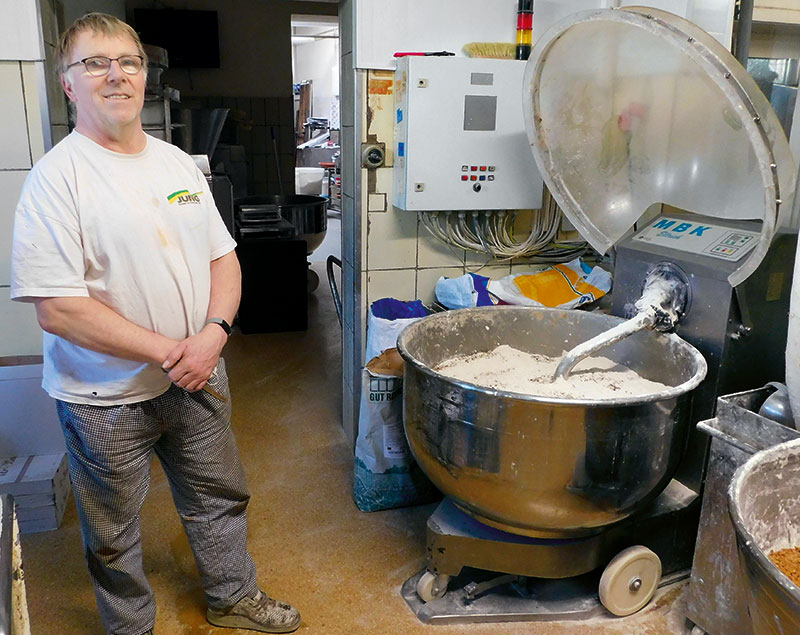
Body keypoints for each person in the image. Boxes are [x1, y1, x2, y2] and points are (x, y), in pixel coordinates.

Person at [10, 13, 300, 635]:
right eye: (95, 63)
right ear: (68, 83)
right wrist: (177, 350)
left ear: (146, 75)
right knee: (113, 531)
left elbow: (224, 256)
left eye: (129, 61)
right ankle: (131, 625)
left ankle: (232, 596)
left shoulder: (176, 163)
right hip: (104, 397)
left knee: (220, 497)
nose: (116, 74)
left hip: (198, 374)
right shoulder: (57, 179)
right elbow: (57, 307)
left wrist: (215, 335)